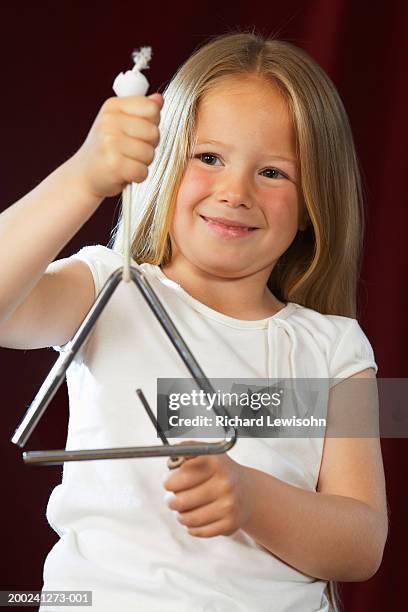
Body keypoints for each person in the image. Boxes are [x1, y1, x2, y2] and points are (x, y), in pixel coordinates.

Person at [0, 31, 388, 612]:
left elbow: (361, 542)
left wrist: (251, 498)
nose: (235, 191)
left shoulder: (332, 349)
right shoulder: (111, 288)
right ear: (163, 164)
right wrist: (84, 177)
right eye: (209, 157)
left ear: (312, 205)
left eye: (274, 172)